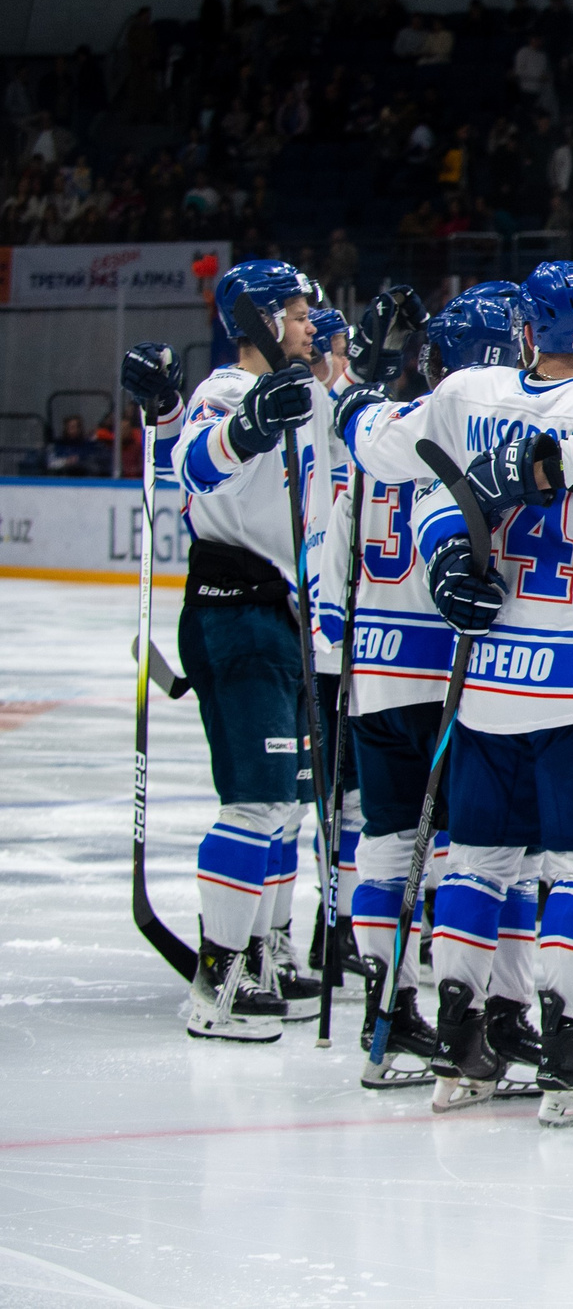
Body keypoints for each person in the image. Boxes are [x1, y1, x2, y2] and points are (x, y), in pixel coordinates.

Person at [337, 260, 573, 1127]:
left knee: (477, 861)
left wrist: (360, 382)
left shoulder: (465, 392)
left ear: (527, 332)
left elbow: (376, 447)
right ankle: (567, 1053)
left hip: (488, 683)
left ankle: (461, 1050)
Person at [322, 283, 525, 1094]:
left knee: (386, 846)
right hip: (446, 674)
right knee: (475, 856)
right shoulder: (476, 435)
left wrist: (336, 653)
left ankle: (389, 1012)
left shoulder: (378, 438)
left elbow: (330, 555)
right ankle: (471, 1022)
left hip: (372, 675)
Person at [127, 261, 325, 1043]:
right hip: (233, 611)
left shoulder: (297, 395)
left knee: (281, 801)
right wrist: (243, 426)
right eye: (301, 315)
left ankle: (266, 951)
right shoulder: (225, 393)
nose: (311, 326)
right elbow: (194, 462)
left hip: (275, 612)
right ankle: (221, 975)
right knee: (253, 799)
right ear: (266, 321)